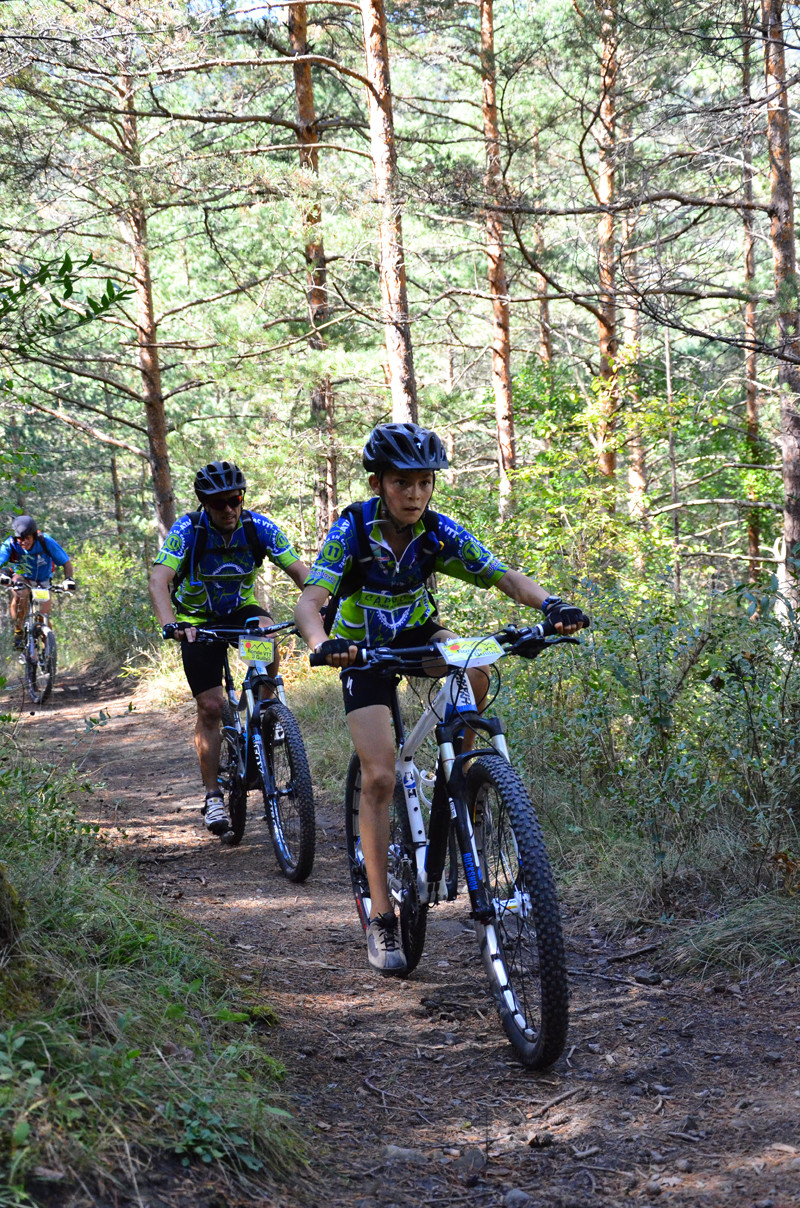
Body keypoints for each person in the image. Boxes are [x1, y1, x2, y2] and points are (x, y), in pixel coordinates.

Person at [294, 422, 588, 975]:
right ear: (378, 483)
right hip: (360, 650)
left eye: (425, 483)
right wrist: (322, 644)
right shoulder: (352, 530)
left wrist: (551, 605)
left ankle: (464, 779)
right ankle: (382, 914)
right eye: (402, 483)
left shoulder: (435, 531)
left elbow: (503, 576)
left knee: (475, 663)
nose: (415, 494)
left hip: (420, 635)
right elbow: (310, 602)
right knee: (380, 776)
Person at [149, 460, 309, 838]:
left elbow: (303, 573)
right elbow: (159, 580)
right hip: (197, 624)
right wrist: (172, 625)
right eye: (219, 503)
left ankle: (265, 712)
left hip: (240, 614)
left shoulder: (257, 527)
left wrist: (320, 609)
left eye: (235, 500)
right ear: (205, 504)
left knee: (266, 632)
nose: (228, 509)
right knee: (210, 706)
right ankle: (212, 796)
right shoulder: (188, 530)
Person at [0, 515, 77, 649]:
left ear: (34, 535)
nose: (23, 542)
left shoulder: (45, 541)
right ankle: (18, 631)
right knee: (20, 593)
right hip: (22, 576)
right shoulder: (10, 543)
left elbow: (66, 562)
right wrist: (3, 577)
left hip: (43, 579)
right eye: (20, 539)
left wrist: (68, 579)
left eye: (27, 538)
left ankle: (49, 651)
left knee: (43, 617)